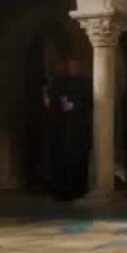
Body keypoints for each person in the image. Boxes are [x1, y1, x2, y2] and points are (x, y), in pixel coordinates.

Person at [44, 58, 92, 201]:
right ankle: (62, 191)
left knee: (77, 160)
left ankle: (78, 190)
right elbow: (54, 103)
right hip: (62, 130)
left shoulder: (84, 83)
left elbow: (87, 102)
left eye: (75, 65)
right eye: (70, 65)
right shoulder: (59, 84)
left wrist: (75, 106)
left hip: (79, 130)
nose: (73, 68)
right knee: (63, 159)